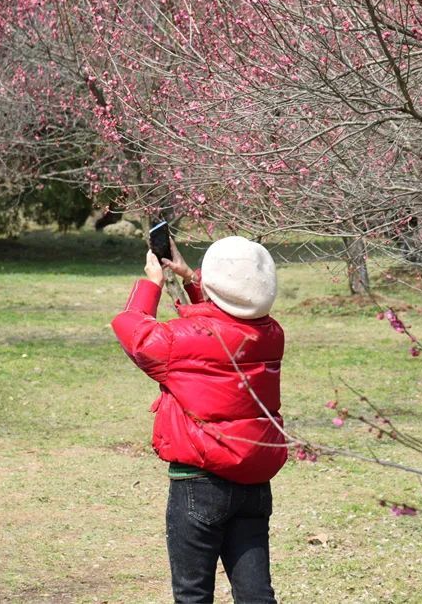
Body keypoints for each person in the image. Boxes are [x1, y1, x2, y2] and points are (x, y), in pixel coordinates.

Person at [111, 236, 287, 604]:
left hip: (199, 483)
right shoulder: (270, 335)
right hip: (254, 482)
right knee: (256, 594)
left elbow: (135, 333)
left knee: (193, 594)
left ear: (213, 285)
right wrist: (191, 277)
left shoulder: (180, 340)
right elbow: (226, 319)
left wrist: (151, 283)